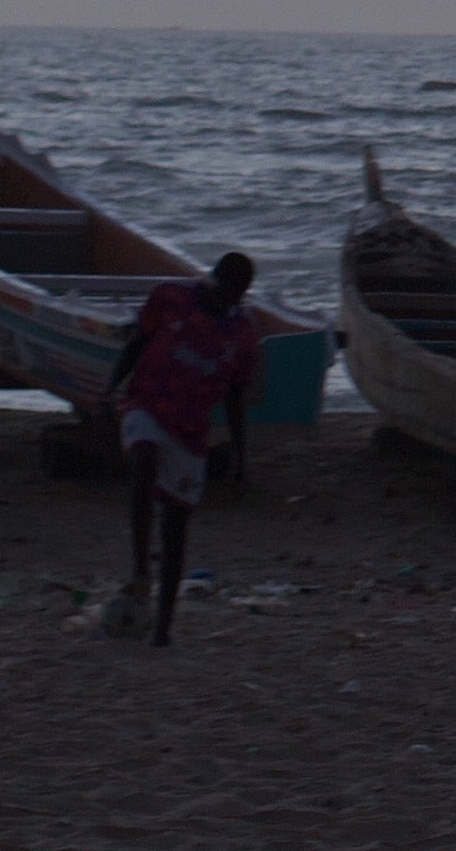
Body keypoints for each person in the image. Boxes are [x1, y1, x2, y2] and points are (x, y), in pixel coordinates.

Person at [101, 251, 269, 645]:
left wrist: (241, 455)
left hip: (190, 429)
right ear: (213, 280)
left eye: (239, 294)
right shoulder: (170, 298)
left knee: (177, 528)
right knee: (143, 462)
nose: (231, 299)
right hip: (146, 404)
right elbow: (136, 344)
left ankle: (162, 627)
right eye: (227, 289)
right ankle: (141, 567)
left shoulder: (241, 333)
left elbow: (235, 398)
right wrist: (110, 389)